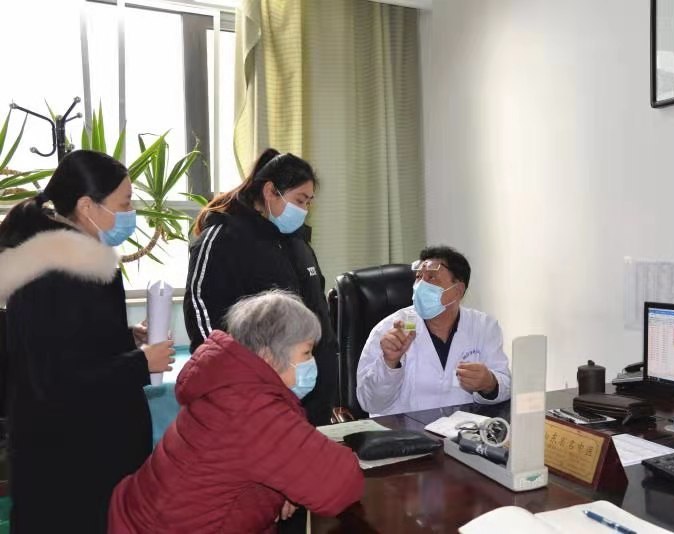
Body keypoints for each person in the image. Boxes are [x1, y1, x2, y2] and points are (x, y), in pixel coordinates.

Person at [0, 150, 175, 533]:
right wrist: (140, 363)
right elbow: (59, 381)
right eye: (124, 204)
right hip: (69, 464)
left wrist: (126, 338)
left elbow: (75, 342)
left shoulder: (79, 261)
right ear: (86, 205)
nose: (131, 213)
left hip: (82, 455)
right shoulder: (54, 273)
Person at [109, 290, 364, 533]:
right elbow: (341, 484)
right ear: (268, 356)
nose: (312, 363)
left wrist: (285, 489)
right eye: (306, 352)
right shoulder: (252, 410)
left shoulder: (229, 386)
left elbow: (243, 466)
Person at [184, 149, 337, 427]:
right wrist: (236, 384)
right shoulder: (224, 238)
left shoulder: (299, 244)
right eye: (299, 200)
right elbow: (203, 319)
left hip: (312, 402)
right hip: (254, 403)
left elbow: (318, 312)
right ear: (270, 191)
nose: (304, 210)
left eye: (308, 202)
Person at [357, 246, 511, 416]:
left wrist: (489, 383)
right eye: (418, 277)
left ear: (457, 290)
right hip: (404, 429)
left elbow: (506, 385)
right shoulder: (390, 329)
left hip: (462, 427)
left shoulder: (483, 326)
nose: (420, 285)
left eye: (431, 277)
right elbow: (369, 403)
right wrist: (389, 363)